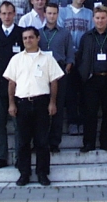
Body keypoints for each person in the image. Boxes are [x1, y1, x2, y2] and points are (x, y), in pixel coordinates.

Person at [4, 26, 64, 186]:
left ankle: (42, 173)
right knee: (23, 141)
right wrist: (11, 104)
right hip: (22, 103)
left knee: (42, 141)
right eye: (25, 38)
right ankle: (24, 173)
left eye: (31, 37)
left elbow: (54, 82)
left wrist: (52, 102)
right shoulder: (16, 59)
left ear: (38, 38)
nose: (28, 40)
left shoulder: (47, 59)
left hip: (41, 103)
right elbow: (11, 83)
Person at [77, 6, 107, 152]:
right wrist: (83, 74)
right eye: (97, 18)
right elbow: (80, 57)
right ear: (93, 19)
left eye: (103, 18)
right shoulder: (86, 37)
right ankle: (88, 143)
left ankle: (106, 142)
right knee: (90, 113)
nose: (100, 21)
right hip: (91, 80)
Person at [0, 1, 24, 168]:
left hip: (20, 86)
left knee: (18, 125)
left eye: (9, 13)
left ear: (14, 14)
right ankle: (1, 157)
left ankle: (20, 157)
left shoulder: (22, 33)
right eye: (3, 13)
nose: (7, 16)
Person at [38, 3, 75, 152]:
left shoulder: (65, 33)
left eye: (54, 13)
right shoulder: (38, 33)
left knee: (58, 107)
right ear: (45, 14)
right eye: (49, 13)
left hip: (59, 70)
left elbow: (70, 52)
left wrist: (68, 66)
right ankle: (41, 140)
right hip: (41, 72)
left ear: (58, 15)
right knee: (41, 108)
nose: (52, 16)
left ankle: (54, 142)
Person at [59, 0, 94, 135]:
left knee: (84, 91)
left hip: (84, 56)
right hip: (69, 56)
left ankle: (83, 122)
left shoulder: (89, 13)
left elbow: (92, 35)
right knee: (71, 91)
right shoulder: (63, 12)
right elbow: (61, 34)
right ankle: (73, 121)